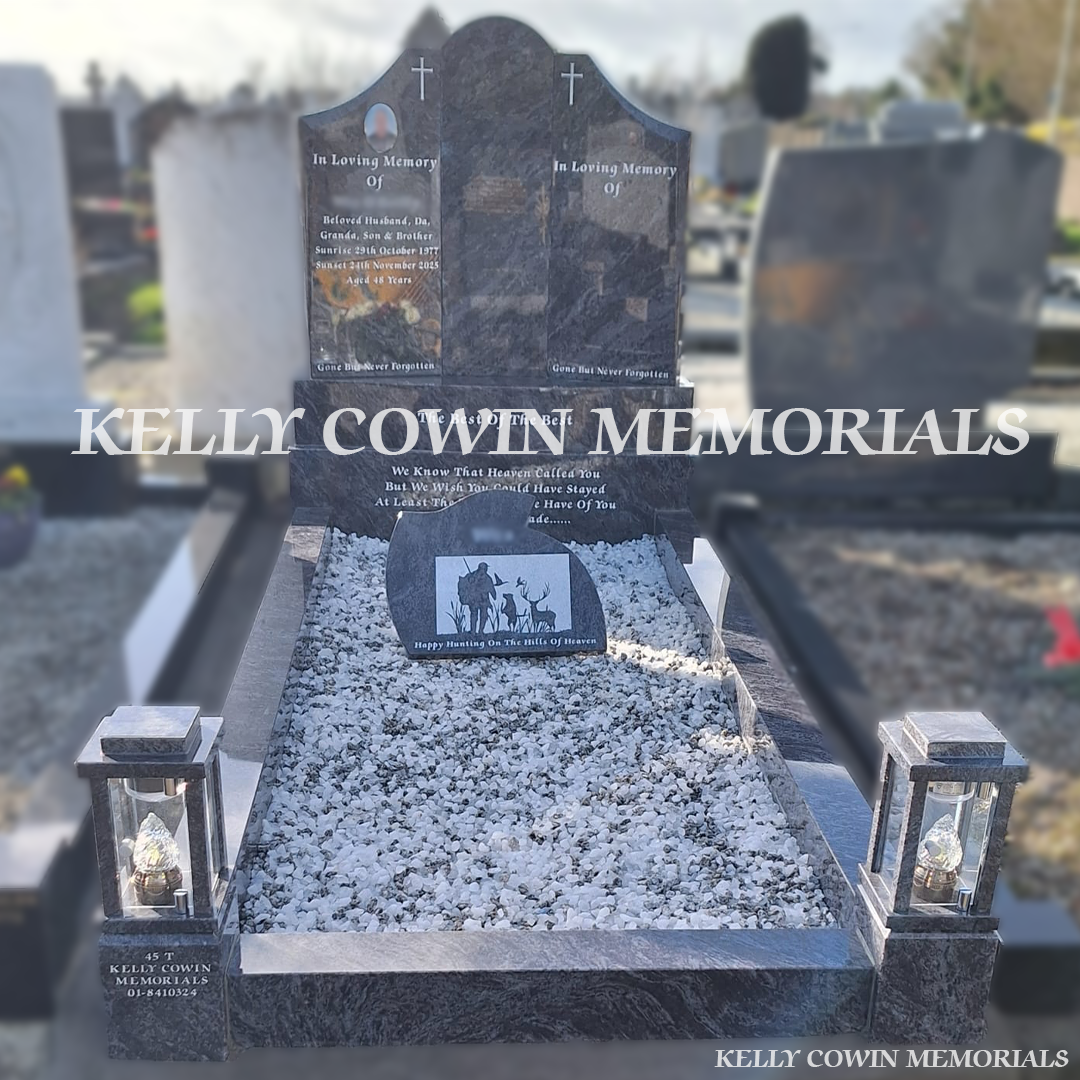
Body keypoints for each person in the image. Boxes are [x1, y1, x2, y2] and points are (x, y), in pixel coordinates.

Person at [457, 562, 496, 635]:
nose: (484, 570)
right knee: (474, 615)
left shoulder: (487, 578)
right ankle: (473, 632)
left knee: (483, 616)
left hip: (484, 601)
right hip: (474, 600)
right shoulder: (471, 576)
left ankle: (480, 631)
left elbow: (492, 590)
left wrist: (493, 596)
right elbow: (464, 583)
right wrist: (470, 581)